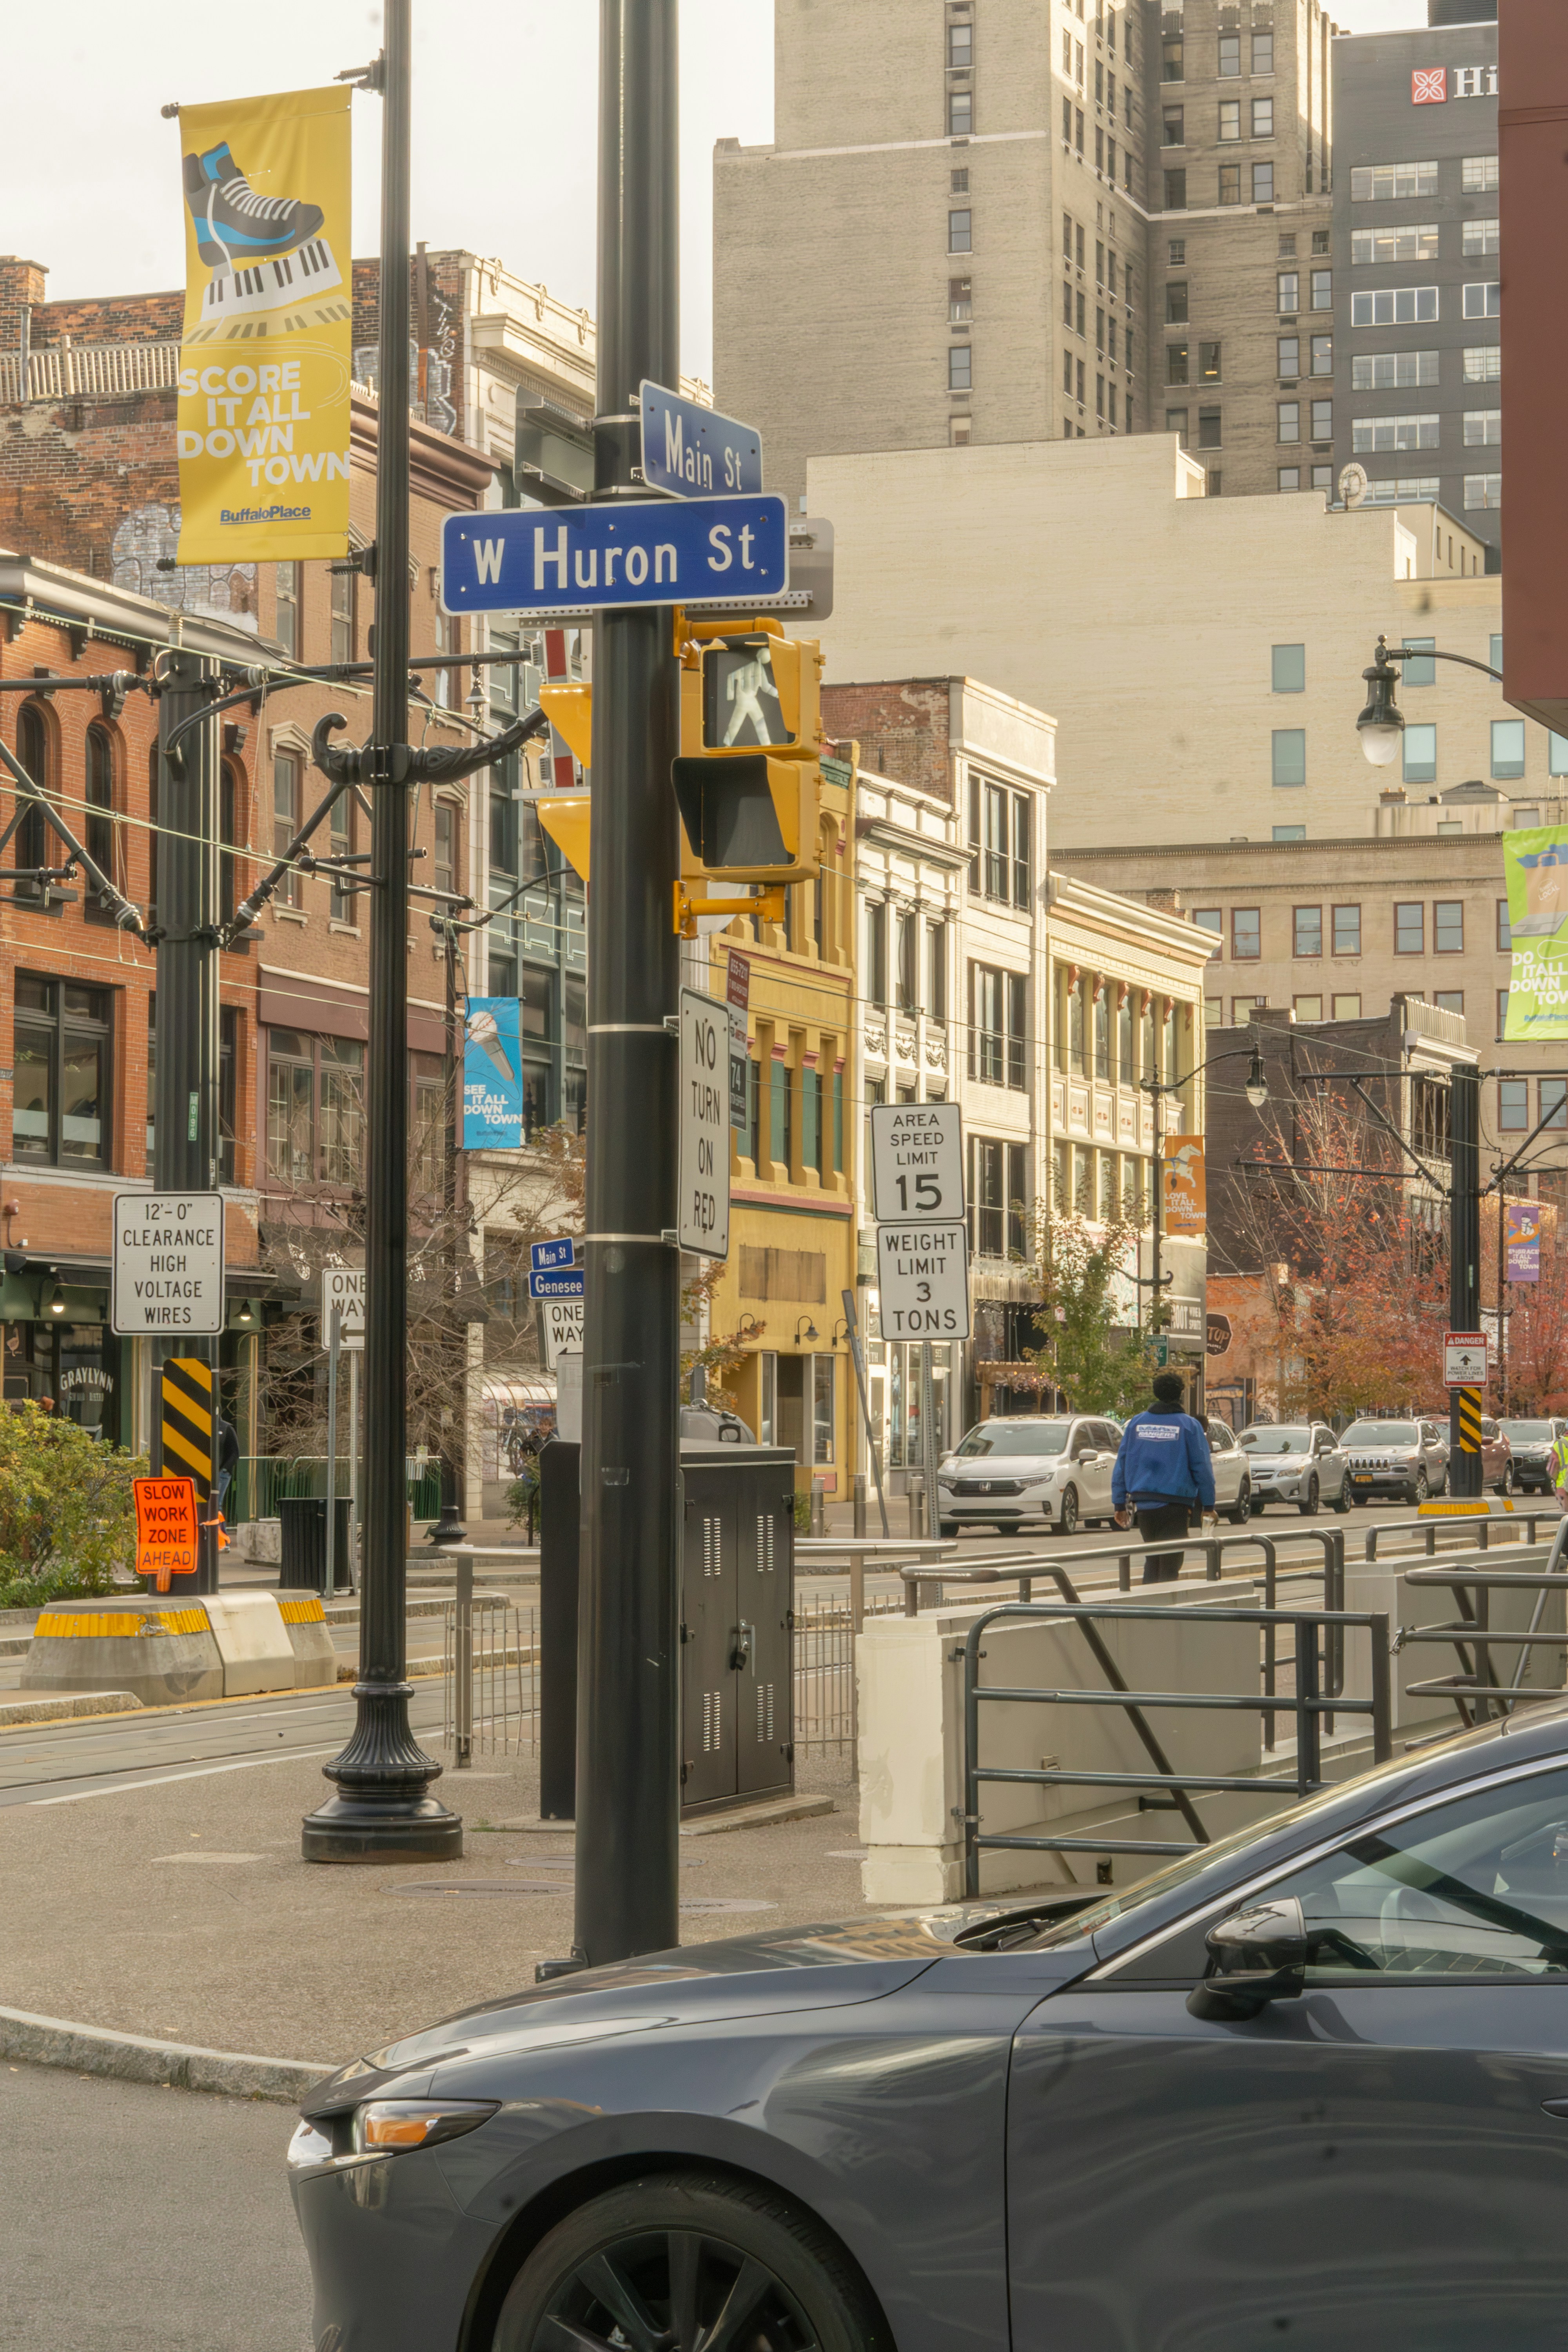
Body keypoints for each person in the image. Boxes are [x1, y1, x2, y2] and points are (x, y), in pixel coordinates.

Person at [1112, 1369, 1216, 1582]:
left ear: (1156, 1393)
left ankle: (1149, 1606)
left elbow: (1122, 1463)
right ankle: (1163, 1609)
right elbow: (1202, 1468)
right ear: (1180, 1395)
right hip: (1176, 1504)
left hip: (1144, 1502)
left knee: (1153, 1557)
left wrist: (1119, 1505)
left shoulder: (1136, 1424)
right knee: (1171, 1562)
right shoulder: (1189, 1426)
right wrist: (1209, 1506)